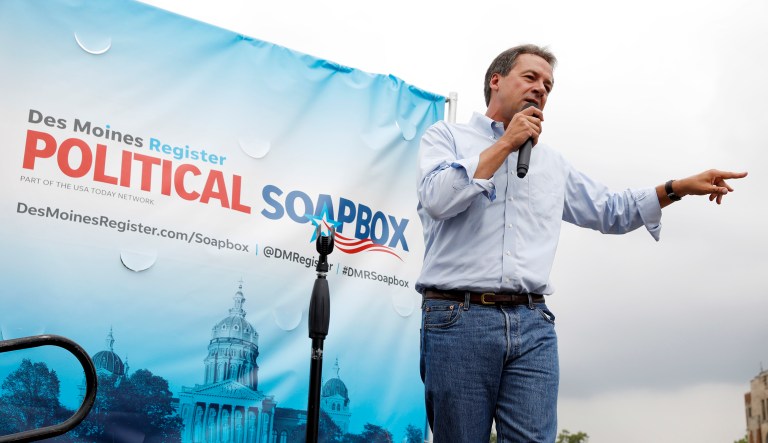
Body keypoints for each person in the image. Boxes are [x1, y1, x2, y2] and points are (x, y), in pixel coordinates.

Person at [415, 44, 747, 443]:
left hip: (532, 324)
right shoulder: (445, 136)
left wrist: (675, 189)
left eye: (548, 85)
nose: (541, 89)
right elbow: (437, 199)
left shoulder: (551, 163)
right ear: (496, 80)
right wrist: (505, 144)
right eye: (531, 77)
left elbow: (610, 210)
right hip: (458, 318)